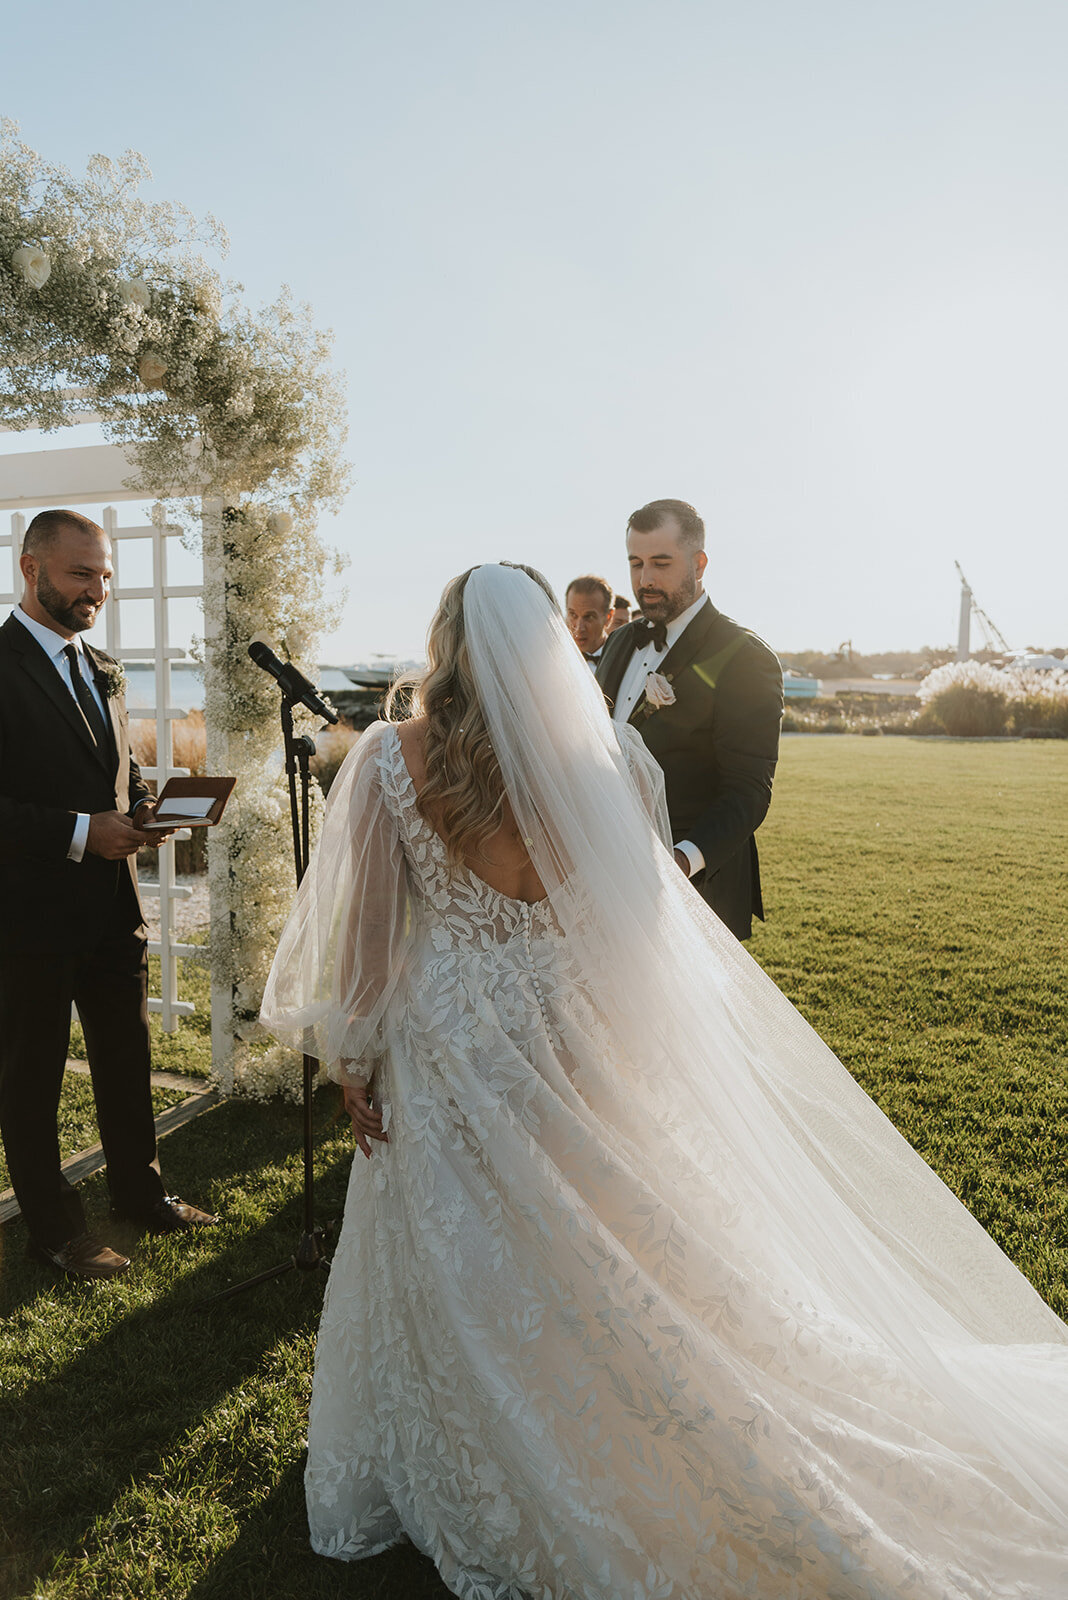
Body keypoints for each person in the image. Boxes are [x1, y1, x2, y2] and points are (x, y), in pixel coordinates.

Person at [262, 562, 1068, 1600]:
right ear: (549, 641)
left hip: (452, 1035)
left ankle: (508, 1427)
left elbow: (370, 932)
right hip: (576, 1021)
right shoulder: (617, 757)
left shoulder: (390, 758)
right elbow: (642, 923)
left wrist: (354, 1057)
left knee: (474, 1233)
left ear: (446, 641)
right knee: (601, 1222)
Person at [0, 509, 215, 1283]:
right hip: (27, 918)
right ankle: (56, 1233)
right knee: (31, 1079)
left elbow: (114, 769)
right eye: (80, 574)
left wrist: (145, 809)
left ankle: (142, 1194)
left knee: (126, 1059)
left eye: (105, 576)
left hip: (113, 910)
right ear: (31, 570)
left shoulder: (102, 667)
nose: (97, 589)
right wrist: (80, 832)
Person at [596, 499, 783, 941]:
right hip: (608, 875)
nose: (645, 579)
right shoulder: (619, 642)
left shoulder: (745, 657)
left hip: (697, 891)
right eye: (636, 563)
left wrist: (680, 862)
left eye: (661, 563)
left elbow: (748, 791)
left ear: (699, 564)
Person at [563, 574, 612, 666]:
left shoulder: (626, 658)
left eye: (588, 617)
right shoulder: (554, 659)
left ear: (608, 617)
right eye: (573, 615)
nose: (579, 628)